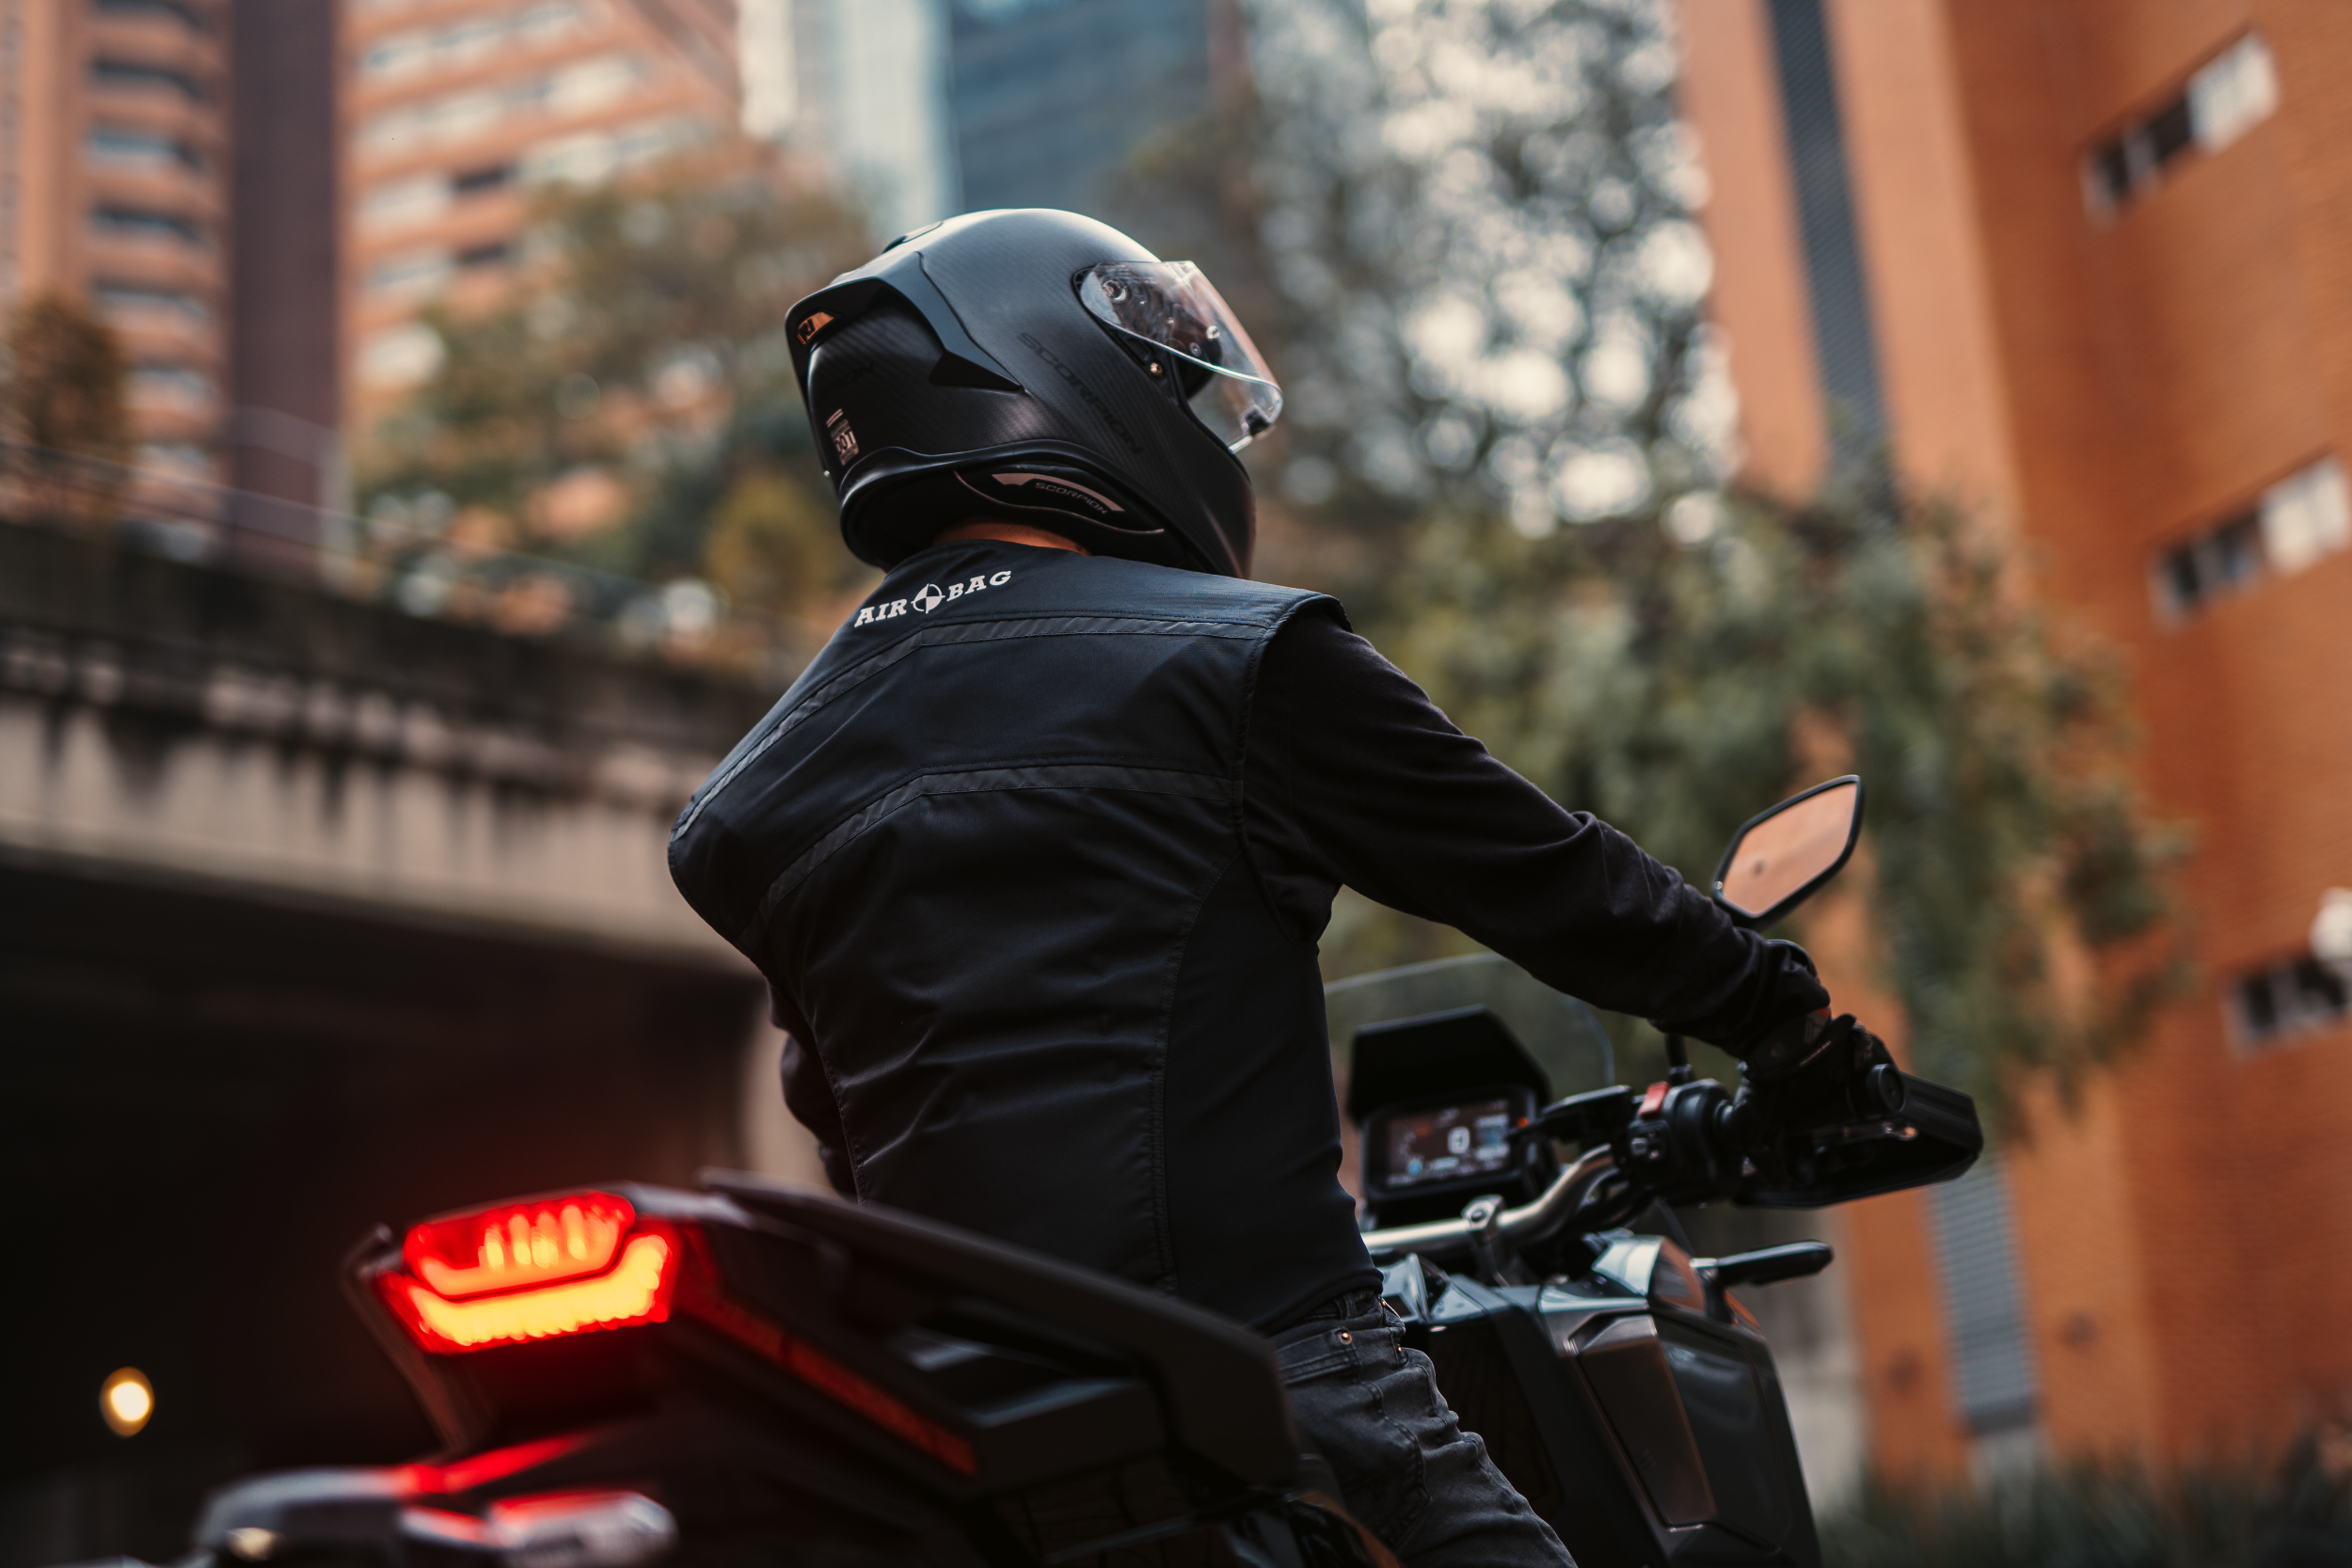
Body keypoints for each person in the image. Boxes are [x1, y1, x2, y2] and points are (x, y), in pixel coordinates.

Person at [668, 209, 1882, 1568]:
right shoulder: (1238, 660)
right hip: (1281, 1383)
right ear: (1065, 372)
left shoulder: (761, 793)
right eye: (1176, 384)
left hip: (958, 1446)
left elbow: (845, 1119)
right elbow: (1554, 882)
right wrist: (1795, 1029)